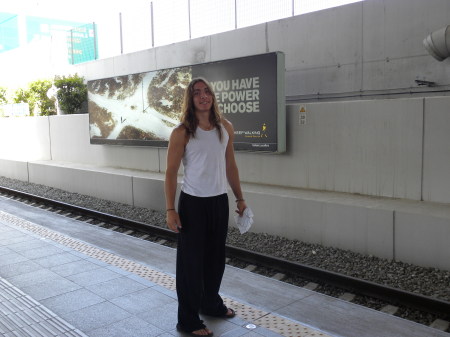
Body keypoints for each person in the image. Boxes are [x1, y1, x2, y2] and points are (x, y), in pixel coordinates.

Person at [165, 77, 247, 336]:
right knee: (190, 264)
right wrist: (170, 209)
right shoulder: (182, 132)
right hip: (192, 204)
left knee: (215, 260)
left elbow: (230, 166)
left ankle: (210, 304)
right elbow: (170, 172)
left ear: (212, 96)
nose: (203, 96)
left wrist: (239, 198)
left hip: (218, 202)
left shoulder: (225, 128)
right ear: (190, 100)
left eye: (206, 91)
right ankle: (188, 320)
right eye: (197, 93)